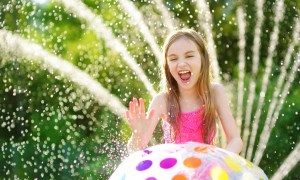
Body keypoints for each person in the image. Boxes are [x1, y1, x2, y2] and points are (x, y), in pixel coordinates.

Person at [125, 29, 243, 154]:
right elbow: (134, 150)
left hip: (206, 169)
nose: (181, 64)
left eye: (189, 56)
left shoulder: (214, 93)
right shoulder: (163, 101)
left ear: (203, 59)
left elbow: (236, 140)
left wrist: (221, 161)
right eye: (173, 59)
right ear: (167, 65)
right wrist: (137, 135)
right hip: (175, 171)